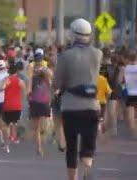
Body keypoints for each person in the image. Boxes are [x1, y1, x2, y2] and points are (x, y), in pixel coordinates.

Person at [53, 18, 102, 180]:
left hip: (71, 107)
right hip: (92, 107)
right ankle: (87, 168)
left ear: (73, 35)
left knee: (72, 147)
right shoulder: (98, 54)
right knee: (88, 146)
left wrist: (59, 88)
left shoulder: (65, 56)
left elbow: (57, 83)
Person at [28, 48, 52, 157]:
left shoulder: (41, 67)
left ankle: (39, 146)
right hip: (40, 98)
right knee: (39, 125)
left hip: (40, 98)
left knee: (39, 126)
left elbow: (50, 81)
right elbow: (50, 81)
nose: (39, 60)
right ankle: (39, 146)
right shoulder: (33, 67)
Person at [1, 62, 25, 153]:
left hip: (7, 105)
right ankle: (15, 137)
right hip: (17, 105)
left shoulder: (7, 80)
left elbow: (1, 88)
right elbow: (24, 93)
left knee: (5, 126)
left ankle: (7, 146)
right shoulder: (20, 81)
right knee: (15, 123)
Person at [121, 52, 137, 138]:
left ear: (129, 59)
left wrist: (124, 87)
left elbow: (121, 81)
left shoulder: (125, 68)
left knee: (130, 114)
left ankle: (133, 133)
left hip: (129, 93)